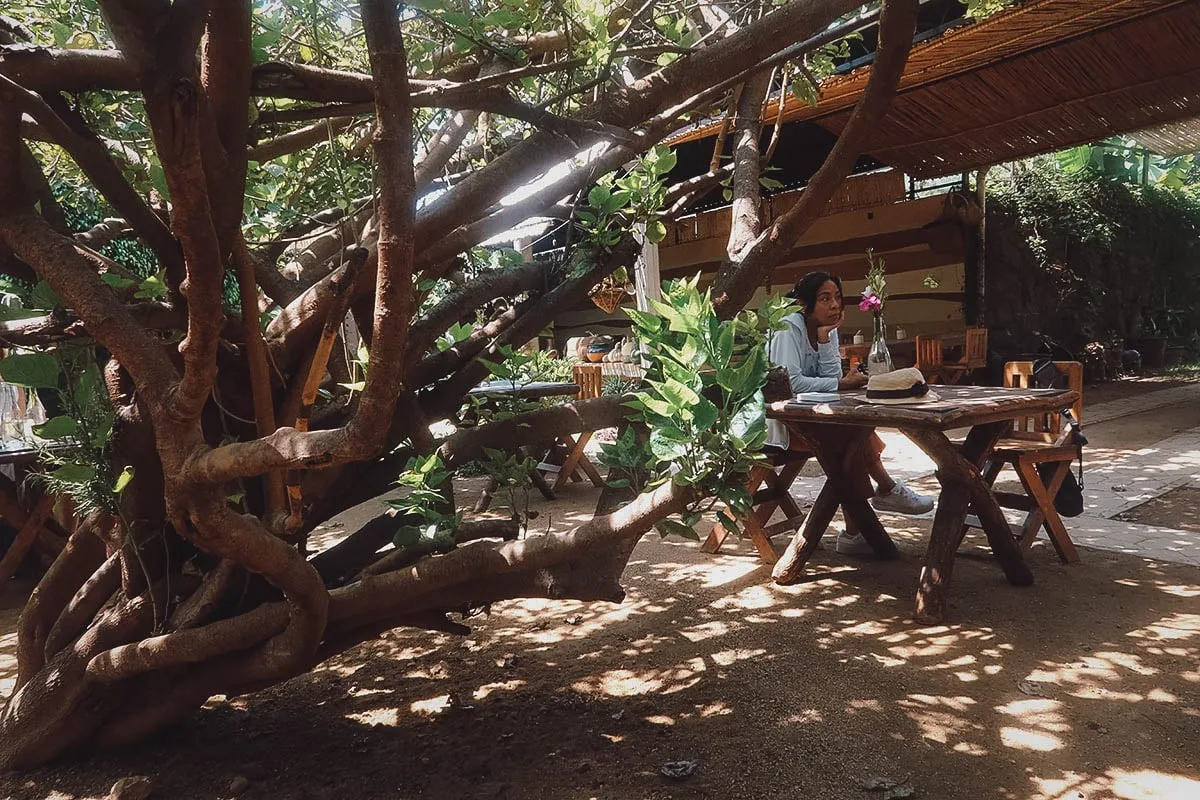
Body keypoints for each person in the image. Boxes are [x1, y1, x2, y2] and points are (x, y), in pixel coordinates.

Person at [765, 271, 934, 555]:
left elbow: (832, 378)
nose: (834, 305)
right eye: (825, 298)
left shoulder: (821, 328)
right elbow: (790, 384)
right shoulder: (787, 327)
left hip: (806, 417)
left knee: (852, 434)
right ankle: (882, 494)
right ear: (805, 304)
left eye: (837, 298)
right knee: (849, 439)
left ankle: (860, 526)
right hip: (777, 423)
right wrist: (840, 383)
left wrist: (826, 339)